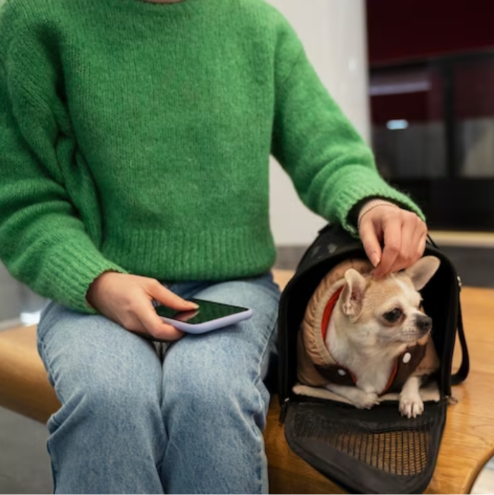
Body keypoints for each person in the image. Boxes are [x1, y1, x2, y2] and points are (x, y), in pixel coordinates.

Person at [0, 0, 428, 492]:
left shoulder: (257, 25)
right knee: (110, 398)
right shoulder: (35, 18)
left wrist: (371, 201)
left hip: (231, 284)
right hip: (96, 286)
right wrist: (97, 282)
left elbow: (326, 148)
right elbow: (22, 198)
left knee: (208, 395)